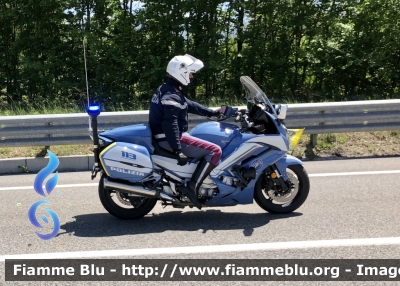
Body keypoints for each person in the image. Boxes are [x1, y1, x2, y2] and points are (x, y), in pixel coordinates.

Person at [148, 54, 222, 210]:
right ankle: (192, 187)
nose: (192, 76)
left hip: (164, 136)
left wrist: (211, 113)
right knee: (215, 151)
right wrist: (177, 149)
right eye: (190, 73)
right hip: (167, 138)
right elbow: (170, 123)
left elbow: (190, 104)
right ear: (181, 72)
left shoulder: (168, 89)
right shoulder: (171, 95)